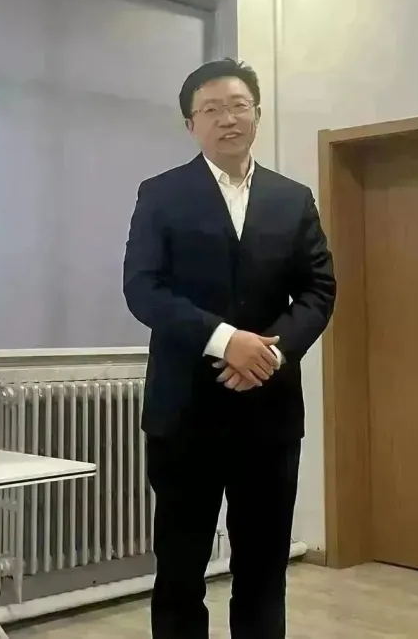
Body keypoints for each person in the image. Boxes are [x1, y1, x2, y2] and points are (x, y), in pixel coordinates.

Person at [123, 59, 336, 639]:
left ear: (257, 115)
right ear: (191, 124)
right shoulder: (161, 194)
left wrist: (269, 354)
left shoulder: (292, 198)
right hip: (184, 412)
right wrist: (226, 341)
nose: (227, 119)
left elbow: (318, 290)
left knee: (264, 569)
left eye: (239, 106)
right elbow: (142, 289)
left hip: (268, 411)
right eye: (211, 109)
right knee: (180, 569)